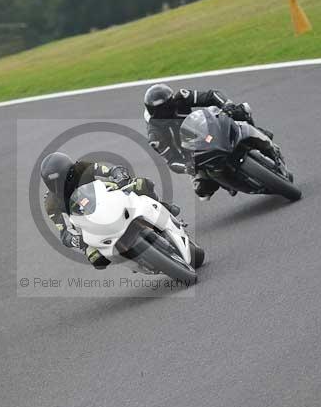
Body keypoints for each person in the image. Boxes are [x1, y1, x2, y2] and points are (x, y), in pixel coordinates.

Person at [40, 152, 179, 269]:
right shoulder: (51, 203)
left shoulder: (82, 167)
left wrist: (120, 176)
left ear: (71, 171)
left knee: (142, 184)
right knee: (97, 259)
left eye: (63, 179)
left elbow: (107, 171)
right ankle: (137, 259)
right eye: (53, 183)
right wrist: (76, 239)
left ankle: (163, 207)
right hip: (91, 228)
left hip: (111, 200)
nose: (59, 186)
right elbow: (65, 231)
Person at [143, 83, 280, 200]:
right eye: (163, 109)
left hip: (206, 130)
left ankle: (261, 136)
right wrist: (187, 166)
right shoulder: (155, 134)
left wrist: (227, 105)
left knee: (241, 111)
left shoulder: (181, 97)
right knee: (202, 190)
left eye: (169, 104)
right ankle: (227, 183)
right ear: (154, 112)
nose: (168, 110)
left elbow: (211, 95)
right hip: (192, 153)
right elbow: (172, 160)